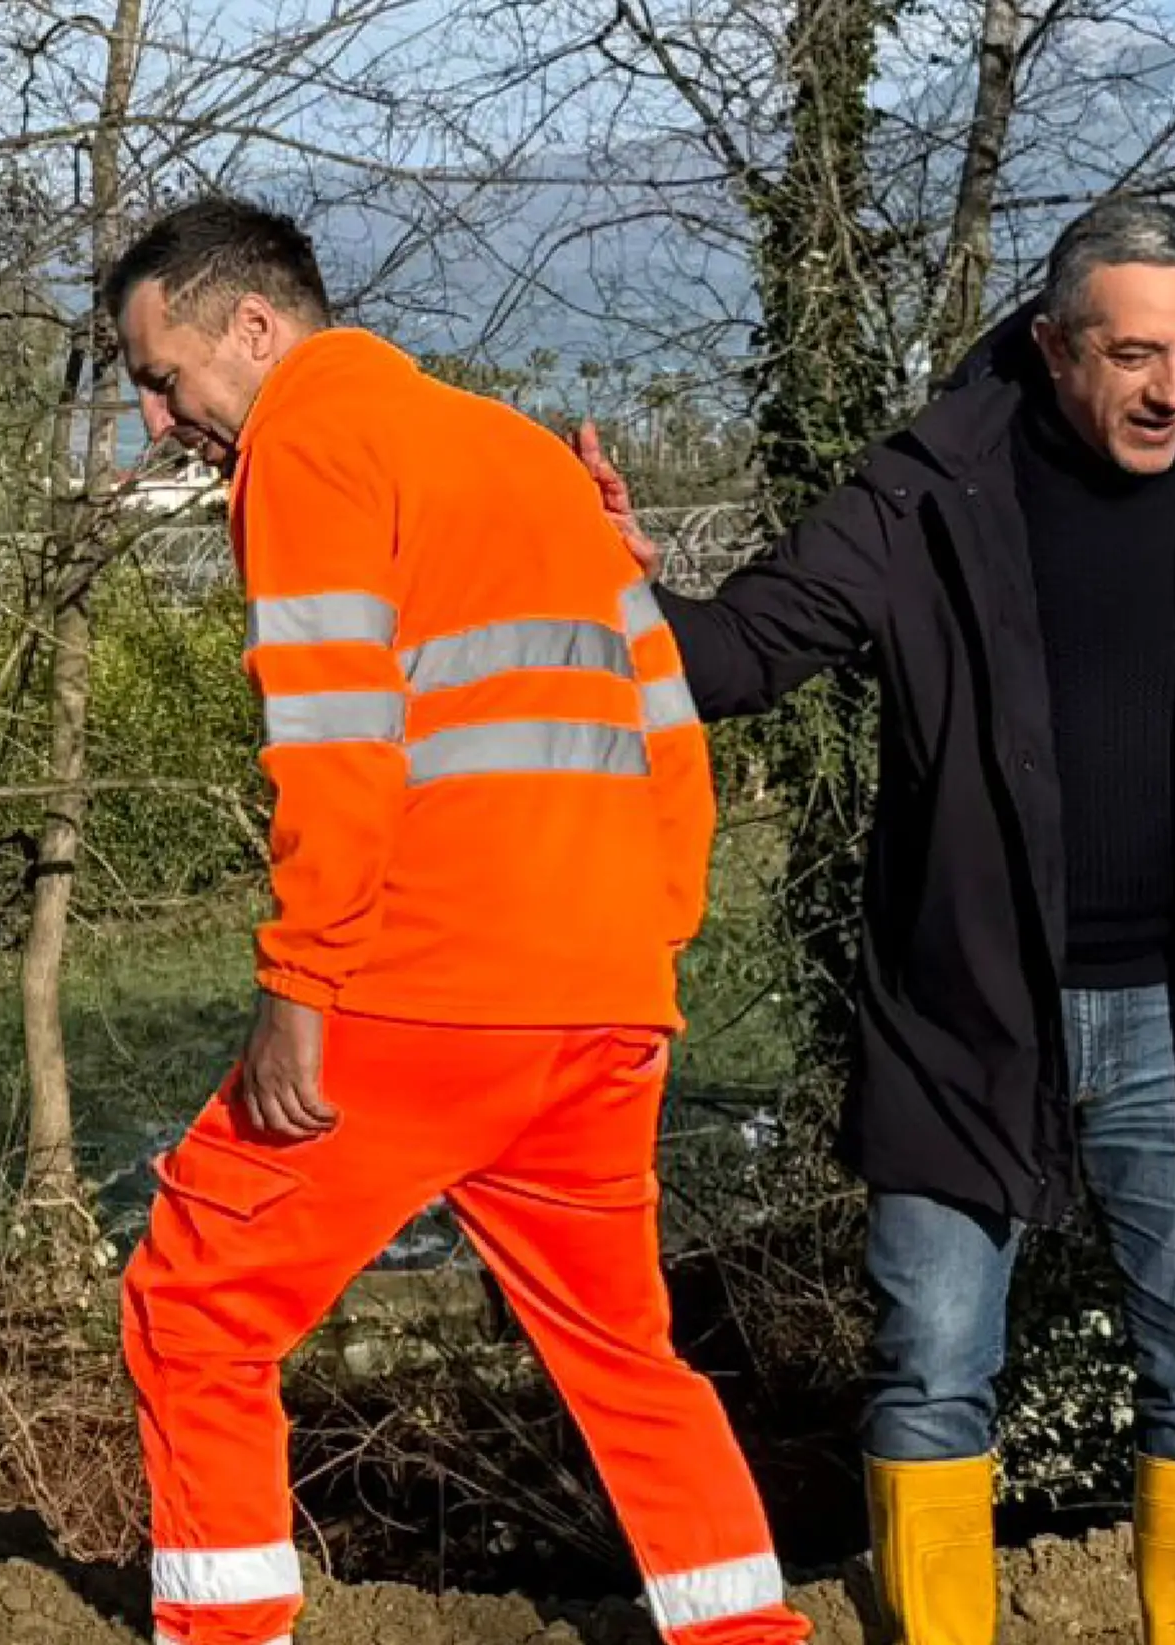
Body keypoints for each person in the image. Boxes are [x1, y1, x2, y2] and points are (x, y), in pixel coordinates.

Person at [576, 196, 1175, 1645]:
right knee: (930, 1372)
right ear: (1052, 345)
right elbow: (733, 657)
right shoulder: (924, 497)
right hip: (961, 1013)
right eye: (1135, 355)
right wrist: (610, 574)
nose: (1172, 389)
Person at [103, 196, 808, 1645]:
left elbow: (337, 747)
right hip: (601, 993)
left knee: (194, 1304)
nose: (163, 424)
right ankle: (744, 1634)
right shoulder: (524, 453)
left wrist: (301, 984)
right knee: (626, 1359)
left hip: (420, 991)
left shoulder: (310, 439)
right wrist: (648, 934)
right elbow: (667, 722)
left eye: (164, 381)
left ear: (254, 327)